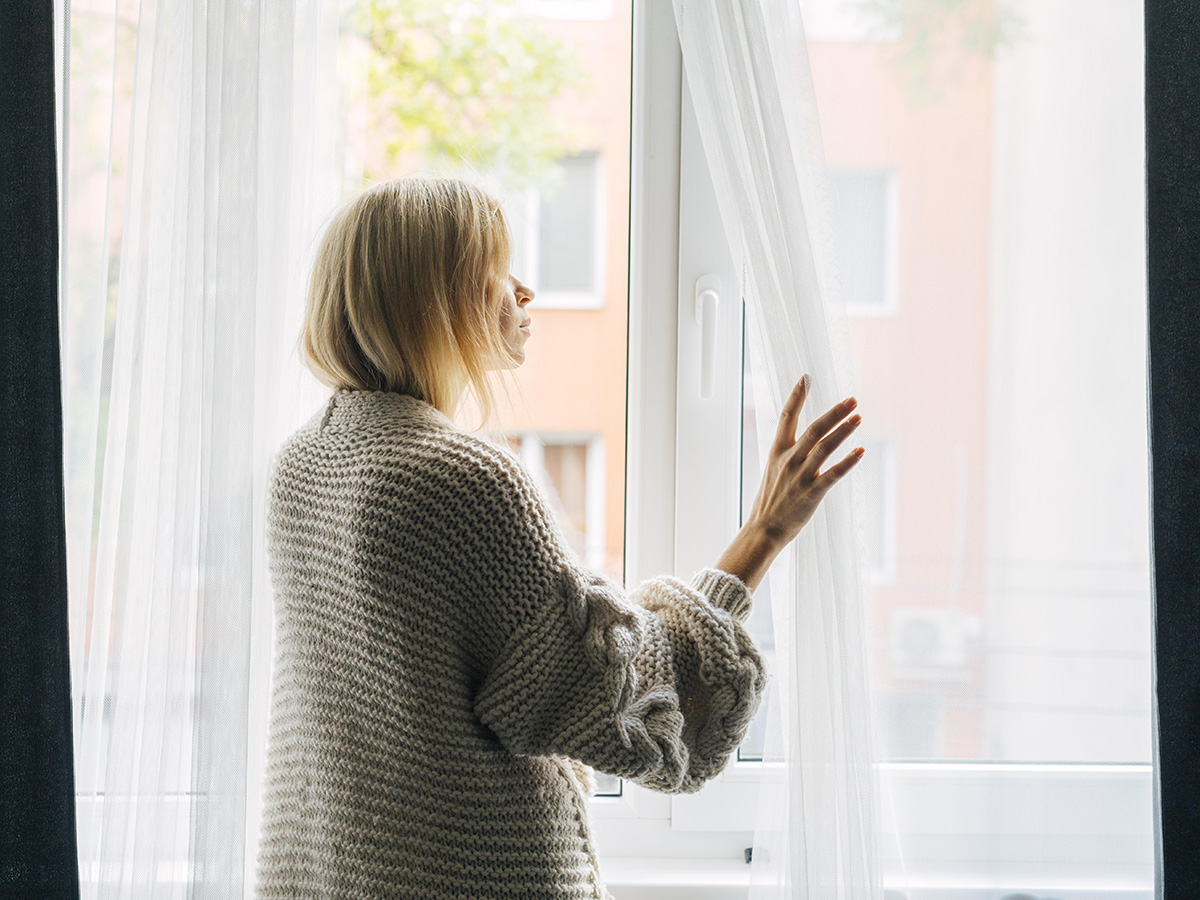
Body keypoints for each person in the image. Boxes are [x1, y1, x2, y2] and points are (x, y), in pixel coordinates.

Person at [255, 176, 865, 899]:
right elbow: (628, 700)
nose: (524, 291)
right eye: (495, 271)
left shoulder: (303, 463)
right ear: (435, 299)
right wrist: (762, 534)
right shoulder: (463, 481)